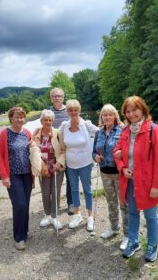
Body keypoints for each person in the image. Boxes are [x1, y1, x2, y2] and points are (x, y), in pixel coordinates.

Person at [113, 96, 158, 262]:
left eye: (134, 110)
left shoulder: (153, 129)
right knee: (132, 212)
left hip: (147, 183)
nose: (131, 114)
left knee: (151, 216)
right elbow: (116, 153)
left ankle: (153, 245)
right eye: (128, 111)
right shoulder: (125, 131)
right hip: (129, 181)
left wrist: (157, 185)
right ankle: (134, 241)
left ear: (142, 109)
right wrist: (122, 168)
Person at [0, 107, 34, 251]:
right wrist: (4, 176)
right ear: (11, 118)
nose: (20, 119)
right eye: (17, 117)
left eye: (22, 117)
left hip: (26, 175)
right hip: (13, 175)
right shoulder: (4, 134)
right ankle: (18, 238)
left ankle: (25, 232)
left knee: (26, 204)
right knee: (19, 205)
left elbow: (32, 152)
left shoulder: (27, 133)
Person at [92, 104, 128, 251]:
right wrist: (96, 157)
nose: (107, 117)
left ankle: (127, 235)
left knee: (124, 204)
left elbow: (127, 150)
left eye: (110, 114)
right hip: (105, 172)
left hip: (119, 173)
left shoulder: (122, 130)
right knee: (111, 201)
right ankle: (114, 228)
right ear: (101, 117)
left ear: (115, 116)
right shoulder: (99, 133)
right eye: (104, 115)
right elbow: (93, 151)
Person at [60, 99, 98, 231]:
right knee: (74, 189)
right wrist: (37, 134)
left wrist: (118, 125)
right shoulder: (64, 125)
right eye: (70, 110)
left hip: (85, 163)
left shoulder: (86, 124)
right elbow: (56, 138)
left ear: (79, 110)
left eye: (75, 110)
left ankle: (90, 216)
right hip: (70, 164)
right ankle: (77, 214)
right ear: (67, 112)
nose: (73, 112)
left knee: (87, 190)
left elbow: (101, 132)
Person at [29, 109, 65, 230]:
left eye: (50, 120)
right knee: (45, 193)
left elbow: (64, 150)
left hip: (56, 168)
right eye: (45, 120)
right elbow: (32, 150)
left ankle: (54, 216)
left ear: (52, 121)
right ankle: (47, 215)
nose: (48, 122)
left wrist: (59, 163)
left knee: (55, 192)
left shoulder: (57, 133)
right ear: (41, 120)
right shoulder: (36, 133)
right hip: (43, 168)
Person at [50, 87, 74, 215]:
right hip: (54, 151)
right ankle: (55, 205)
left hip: (69, 149)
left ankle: (71, 203)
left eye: (59, 96)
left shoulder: (69, 111)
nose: (57, 98)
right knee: (56, 180)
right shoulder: (48, 112)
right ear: (51, 98)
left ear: (63, 97)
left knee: (71, 178)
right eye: (54, 96)